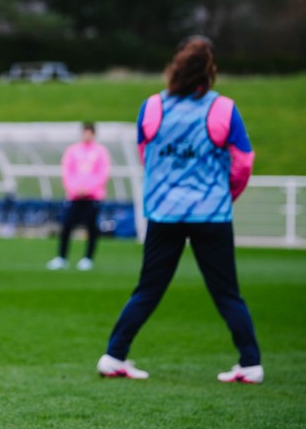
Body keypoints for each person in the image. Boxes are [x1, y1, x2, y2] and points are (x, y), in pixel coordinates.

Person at [97, 36, 263, 384]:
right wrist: (225, 193)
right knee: (227, 292)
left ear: (174, 68)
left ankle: (114, 356)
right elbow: (243, 162)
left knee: (147, 290)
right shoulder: (223, 109)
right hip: (211, 214)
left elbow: (146, 155)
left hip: (164, 213)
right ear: (210, 70)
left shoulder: (152, 106)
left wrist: (165, 185)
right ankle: (249, 363)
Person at [48, 122, 112, 271]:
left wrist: (88, 189)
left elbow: (103, 173)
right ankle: (61, 257)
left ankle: (88, 258)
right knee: (67, 225)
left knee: (91, 227)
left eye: (89, 132)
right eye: (85, 132)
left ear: (93, 134)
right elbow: (67, 171)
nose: (86, 135)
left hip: (93, 196)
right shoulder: (73, 151)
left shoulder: (100, 152)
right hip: (74, 195)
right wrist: (74, 188)